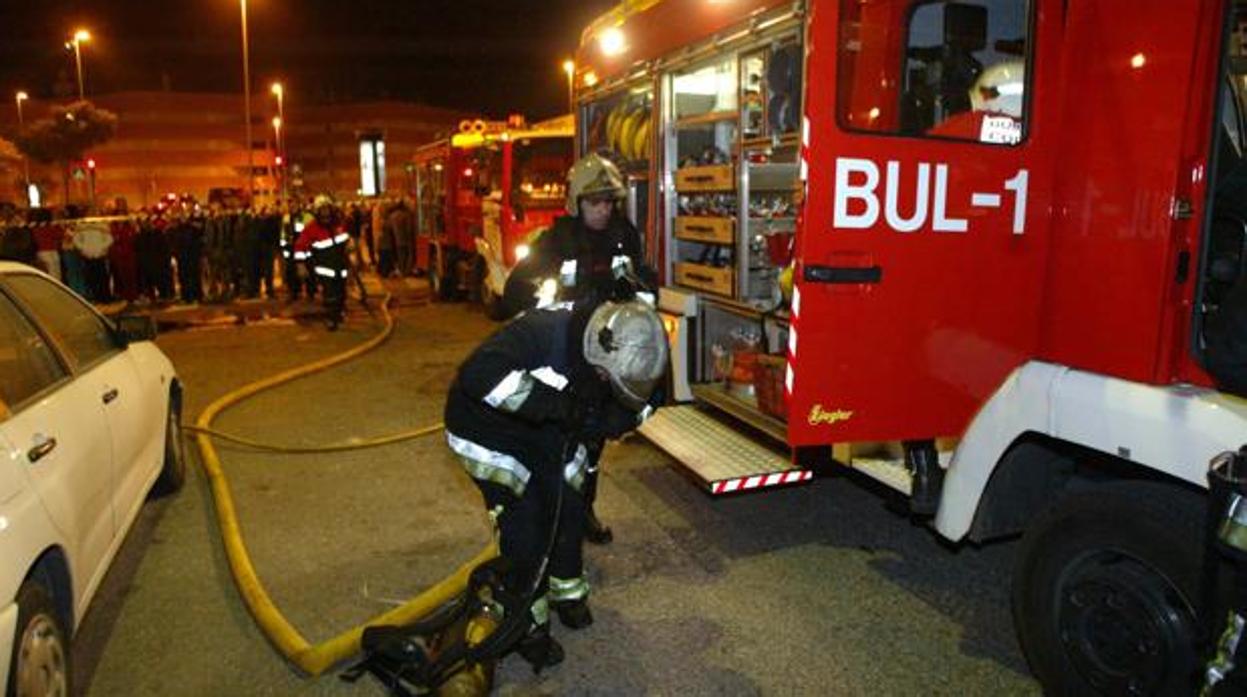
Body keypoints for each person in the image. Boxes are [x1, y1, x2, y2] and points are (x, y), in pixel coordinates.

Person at [443, 298, 668, 671]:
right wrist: (565, 409)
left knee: (570, 503)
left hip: (549, 429)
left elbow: (652, 397)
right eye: (605, 382)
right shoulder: (546, 335)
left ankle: (568, 591)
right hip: (487, 431)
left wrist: (616, 420)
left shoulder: (639, 342)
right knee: (527, 523)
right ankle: (526, 626)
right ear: (595, 358)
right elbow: (478, 375)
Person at [500, 152, 658, 545]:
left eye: (608, 202)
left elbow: (645, 289)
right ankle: (551, 515)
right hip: (563, 357)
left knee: (594, 441)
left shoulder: (625, 235)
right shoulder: (556, 241)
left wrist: (637, 288)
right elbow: (514, 293)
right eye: (594, 203)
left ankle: (583, 510)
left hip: (604, 358)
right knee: (560, 440)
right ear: (576, 203)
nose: (603, 210)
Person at [295, 195, 350, 330]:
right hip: (325, 267)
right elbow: (300, 246)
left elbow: (347, 240)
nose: (325, 213)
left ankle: (338, 313)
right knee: (330, 293)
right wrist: (301, 264)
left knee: (341, 292)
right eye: (322, 210)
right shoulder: (312, 228)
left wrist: (352, 250)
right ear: (317, 212)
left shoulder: (338, 224)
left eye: (327, 209)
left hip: (341, 265)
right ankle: (331, 318)